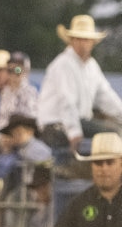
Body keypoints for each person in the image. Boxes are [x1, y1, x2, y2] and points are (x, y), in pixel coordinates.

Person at [37, 14, 122, 155]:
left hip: (76, 123)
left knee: (115, 130)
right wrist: (74, 132)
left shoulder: (91, 66)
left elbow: (107, 97)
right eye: (79, 39)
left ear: (93, 42)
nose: (83, 43)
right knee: (112, 134)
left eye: (86, 39)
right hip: (56, 126)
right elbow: (66, 102)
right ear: (71, 41)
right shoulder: (63, 64)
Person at [0, 51, 39, 132]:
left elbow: (31, 119)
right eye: (10, 70)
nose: (13, 74)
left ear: (26, 71)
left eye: (17, 70)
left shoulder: (31, 91)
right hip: (7, 134)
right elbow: (2, 119)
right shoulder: (5, 92)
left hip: (25, 135)